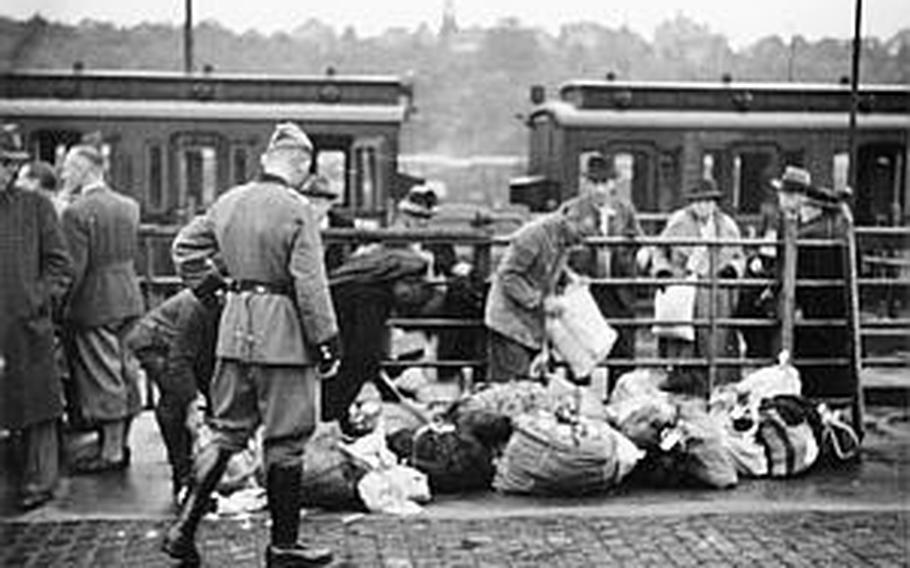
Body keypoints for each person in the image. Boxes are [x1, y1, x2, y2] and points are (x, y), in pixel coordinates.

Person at [166, 122, 338, 567]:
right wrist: (326, 341)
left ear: (266, 160)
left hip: (233, 332)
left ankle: (183, 530)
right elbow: (310, 283)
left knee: (226, 432)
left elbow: (184, 247)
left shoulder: (229, 201)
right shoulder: (298, 209)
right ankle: (283, 546)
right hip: (283, 337)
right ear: (301, 165)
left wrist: (215, 290)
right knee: (286, 442)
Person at [0, 124, 73, 510]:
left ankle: (39, 482)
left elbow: (60, 264)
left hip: (27, 326)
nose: (4, 172)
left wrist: (36, 300)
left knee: (38, 408)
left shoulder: (36, 208)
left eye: (8, 165)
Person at [60, 142, 145, 473]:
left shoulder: (76, 212)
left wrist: (60, 307)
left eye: (69, 166)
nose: (65, 173)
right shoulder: (129, 206)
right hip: (128, 296)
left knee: (102, 376)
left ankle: (110, 453)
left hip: (94, 302)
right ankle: (120, 443)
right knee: (126, 370)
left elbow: (73, 269)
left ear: (84, 169)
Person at [124, 284, 223, 505]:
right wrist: (193, 403)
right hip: (157, 342)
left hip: (176, 342)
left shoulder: (219, 302)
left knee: (186, 402)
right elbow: (182, 361)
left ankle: (192, 475)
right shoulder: (199, 305)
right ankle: (184, 474)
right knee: (176, 402)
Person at [484, 202, 599, 382]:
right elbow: (508, 275)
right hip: (510, 323)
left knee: (528, 386)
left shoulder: (561, 239)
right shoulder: (533, 235)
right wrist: (540, 301)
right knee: (511, 389)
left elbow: (547, 264)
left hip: (530, 324)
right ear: (570, 220)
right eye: (581, 234)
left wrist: (570, 277)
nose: (581, 242)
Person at [651, 178, 745, 396]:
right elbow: (659, 251)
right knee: (684, 344)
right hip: (684, 293)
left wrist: (732, 269)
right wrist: (663, 271)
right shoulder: (678, 222)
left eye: (709, 201)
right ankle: (683, 388)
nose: (704, 206)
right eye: (699, 201)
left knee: (717, 344)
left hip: (715, 295)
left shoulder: (727, 226)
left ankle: (717, 389)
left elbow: (740, 256)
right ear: (691, 203)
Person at [562, 154, 644, 392]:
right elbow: (564, 245)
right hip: (586, 288)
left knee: (623, 346)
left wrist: (632, 253)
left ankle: (620, 399)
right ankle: (578, 400)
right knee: (581, 346)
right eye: (594, 183)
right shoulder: (573, 210)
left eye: (604, 182)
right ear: (586, 184)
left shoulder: (624, 209)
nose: (600, 189)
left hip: (618, 287)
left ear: (613, 184)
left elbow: (636, 238)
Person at [777, 170, 854, 399]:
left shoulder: (805, 235)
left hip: (810, 311)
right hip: (837, 309)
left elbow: (796, 277)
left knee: (810, 363)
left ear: (813, 208)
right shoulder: (841, 232)